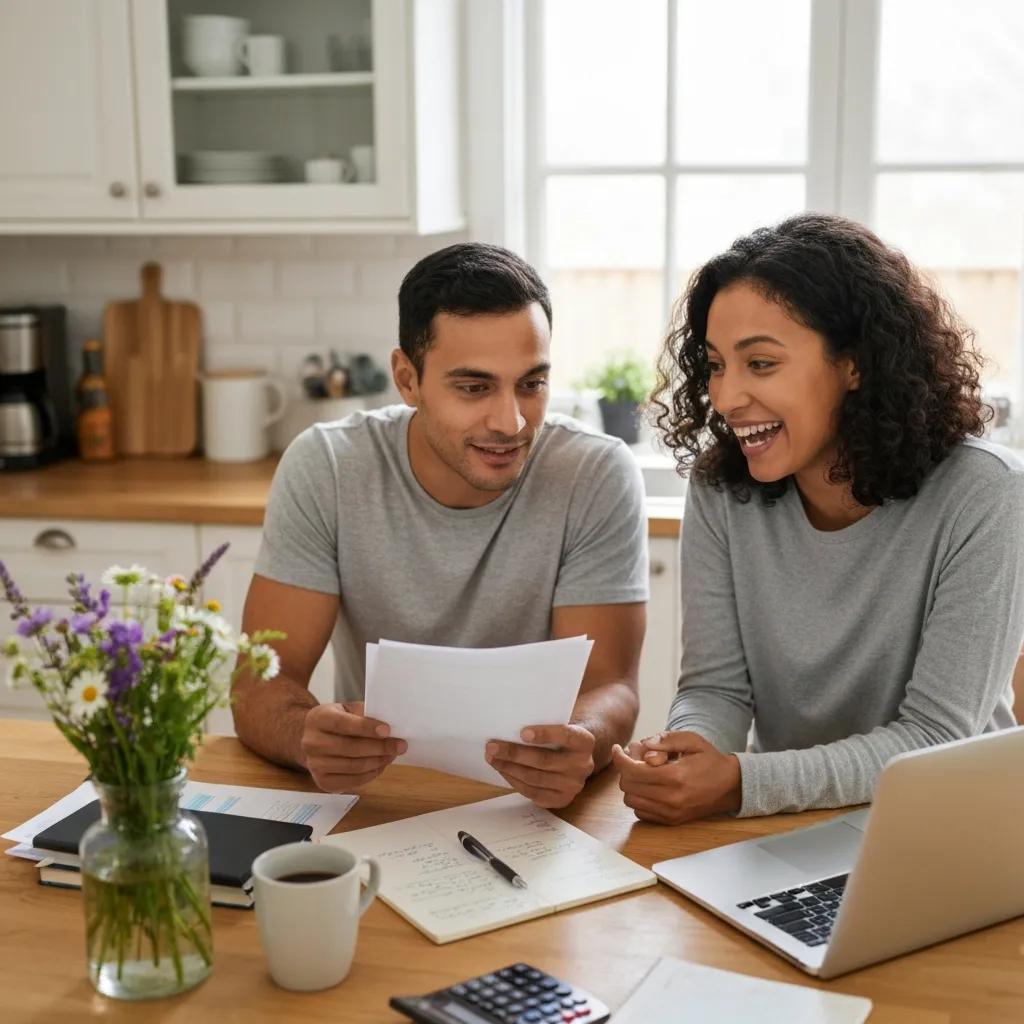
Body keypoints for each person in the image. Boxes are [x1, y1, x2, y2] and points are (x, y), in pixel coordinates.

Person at [613, 212, 1024, 824]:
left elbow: (937, 737)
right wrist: (691, 749)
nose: (725, 399)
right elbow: (716, 689)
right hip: (785, 823)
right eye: (718, 365)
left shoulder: (985, 494)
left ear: (854, 363)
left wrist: (741, 784)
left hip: (947, 828)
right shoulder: (721, 488)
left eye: (760, 364)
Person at [233, 242, 648, 808]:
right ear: (407, 379)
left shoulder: (595, 473)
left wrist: (586, 740)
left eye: (531, 383)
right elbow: (259, 684)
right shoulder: (328, 466)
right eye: (474, 388)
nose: (511, 421)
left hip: (531, 806)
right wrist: (306, 737)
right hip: (375, 798)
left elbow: (611, 687)